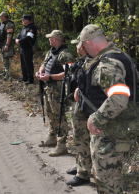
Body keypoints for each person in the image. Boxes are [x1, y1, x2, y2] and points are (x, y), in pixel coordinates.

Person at [74, 24, 137, 193]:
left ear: (89, 43)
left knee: (107, 181)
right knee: (109, 176)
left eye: (83, 45)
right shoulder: (118, 55)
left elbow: (119, 98)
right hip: (119, 125)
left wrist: (95, 119)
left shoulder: (107, 64)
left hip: (110, 128)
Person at [35, 30, 75, 157]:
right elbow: (44, 64)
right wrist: (40, 72)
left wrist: (50, 77)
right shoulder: (50, 52)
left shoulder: (65, 55)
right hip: (48, 89)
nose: (48, 39)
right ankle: (52, 138)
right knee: (51, 114)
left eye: (50, 37)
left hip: (58, 90)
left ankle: (62, 144)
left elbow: (69, 73)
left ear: (56, 39)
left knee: (60, 116)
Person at [66, 35, 93, 187]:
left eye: (77, 44)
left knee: (82, 138)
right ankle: (82, 165)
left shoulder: (92, 62)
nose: (76, 47)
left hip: (85, 107)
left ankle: (83, 173)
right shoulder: (84, 61)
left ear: (83, 46)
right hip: (79, 105)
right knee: (79, 138)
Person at [16, 14, 37, 84]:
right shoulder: (24, 28)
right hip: (22, 48)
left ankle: (30, 79)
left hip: (28, 48)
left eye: (23, 20)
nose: (22, 21)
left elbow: (29, 37)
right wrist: (16, 39)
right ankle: (25, 77)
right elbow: (19, 35)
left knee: (28, 63)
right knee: (23, 64)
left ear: (27, 20)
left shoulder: (32, 28)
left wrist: (20, 41)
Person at [0, 12, 15, 80]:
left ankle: (8, 74)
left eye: (0, 16)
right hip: (2, 43)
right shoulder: (2, 24)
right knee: (3, 59)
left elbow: (9, 35)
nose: (0, 18)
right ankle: (5, 71)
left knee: (7, 59)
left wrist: (7, 44)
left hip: (6, 43)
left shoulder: (9, 24)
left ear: (4, 16)